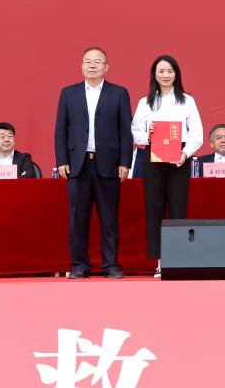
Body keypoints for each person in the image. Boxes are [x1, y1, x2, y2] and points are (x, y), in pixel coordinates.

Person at [54, 47, 133, 279]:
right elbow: (60, 130)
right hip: (78, 164)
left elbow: (125, 131)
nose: (92, 65)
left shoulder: (119, 93)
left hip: (108, 164)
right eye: (88, 61)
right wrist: (62, 160)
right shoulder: (69, 93)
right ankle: (79, 264)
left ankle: (111, 265)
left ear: (106, 67)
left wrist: (125, 162)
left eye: (98, 62)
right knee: (78, 218)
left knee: (109, 218)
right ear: (81, 66)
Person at [131, 55, 203, 278]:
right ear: (154, 74)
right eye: (161, 71)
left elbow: (197, 134)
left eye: (170, 71)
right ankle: (161, 261)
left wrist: (185, 154)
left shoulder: (187, 101)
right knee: (155, 207)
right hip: (153, 156)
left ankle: (178, 259)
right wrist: (147, 134)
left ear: (176, 74)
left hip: (179, 156)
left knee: (178, 207)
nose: (165, 75)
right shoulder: (145, 102)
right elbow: (135, 132)